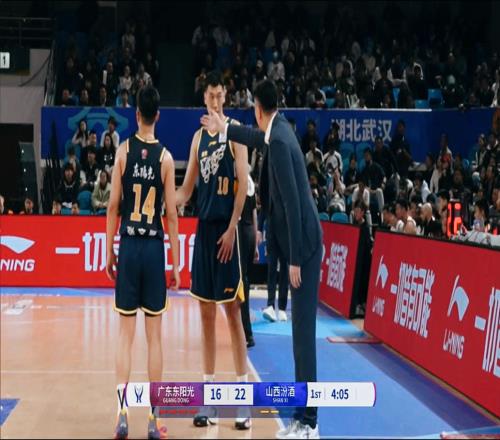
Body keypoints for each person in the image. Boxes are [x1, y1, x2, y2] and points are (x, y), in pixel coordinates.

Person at [201, 79, 323, 439]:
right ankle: (302, 417)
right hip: (299, 244)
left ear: (257, 108)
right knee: (299, 337)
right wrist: (226, 128)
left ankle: (309, 423)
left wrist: (295, 260)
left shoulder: (281, 141)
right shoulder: (278, 130)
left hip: (305, 248)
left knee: (303, 337)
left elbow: (295, 203)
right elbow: (255, 138)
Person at [175, 71, 251, 430]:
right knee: (205, 315)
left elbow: (243, 183)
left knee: (233, 314)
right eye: (211, 96)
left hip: (227, 231)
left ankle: (242, 401)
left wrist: (234, 226)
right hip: (204, 232)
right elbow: (186, 189)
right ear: (204, 99)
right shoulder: (197, 138)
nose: (216, 101)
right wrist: (165, 200)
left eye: (220, 95)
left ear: (226, 96)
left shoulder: (236, 132)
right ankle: (208, 398)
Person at [105, 85, 180, 440]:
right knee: (155, 339)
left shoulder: (123, 151)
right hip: (152, 250)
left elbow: (112, 206)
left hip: (130, 245)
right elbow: (172, 215)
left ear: (136, 114)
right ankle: (153, 417)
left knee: (125, 336)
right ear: (157, 116)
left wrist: (109, 250)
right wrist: (176, 263)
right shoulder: (166, 158)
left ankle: (122, 413)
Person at [239, 174, 259, 348]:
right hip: (250, 233)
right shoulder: (250, 181)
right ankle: (246, 332)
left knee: (240, 283)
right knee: (244, 281)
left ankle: (245, 333)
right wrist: (256, 244)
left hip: (239, 232)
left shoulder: (237, 179)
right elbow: (254, 214)